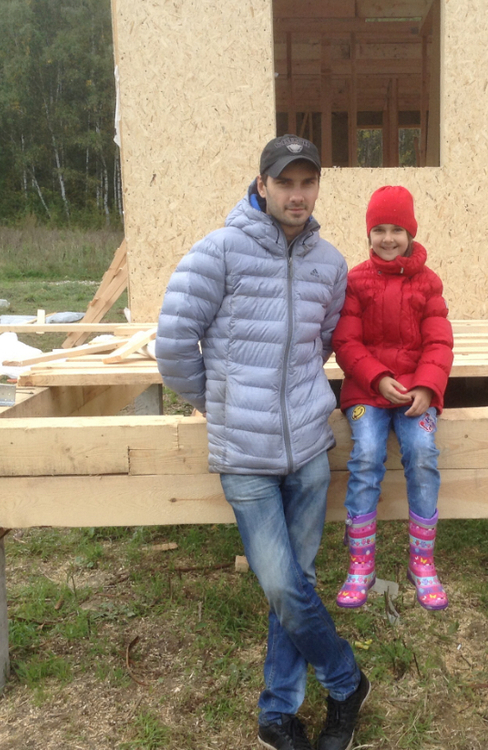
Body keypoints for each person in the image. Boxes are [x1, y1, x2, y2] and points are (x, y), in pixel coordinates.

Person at [155, 135, 369, 750]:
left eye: (308, 182)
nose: (297, 195)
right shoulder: (219, 252)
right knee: (281, 582)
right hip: (245, 455)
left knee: (296, 580)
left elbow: (321, 343)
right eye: (285, 183)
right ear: (262, 185)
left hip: (308, 448)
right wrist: (219, 401)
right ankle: (346, 680)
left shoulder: (330, 263)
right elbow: (173, 343)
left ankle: (277, 713)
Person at [332, 185, 454, 612]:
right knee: (366, 453)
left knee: (421, 452)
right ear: (368, 234)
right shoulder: (356, 282)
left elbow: (438, 342)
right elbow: (346, 342)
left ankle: (422, 562)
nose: (387, 238)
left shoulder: (428, 283)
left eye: (396, 230)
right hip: (367, 390)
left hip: (415, 394)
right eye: (379, 229)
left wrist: (426, 386)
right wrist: (377, 378)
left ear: (410, 233)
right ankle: (360, 564)